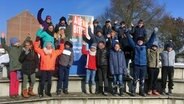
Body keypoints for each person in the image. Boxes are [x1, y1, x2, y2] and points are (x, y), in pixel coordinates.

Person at [126, 28, 157, 96]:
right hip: (136, 65)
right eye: (139, 41)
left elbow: (151, 41)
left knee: (142, 79)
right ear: (137, 41)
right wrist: (127, 33)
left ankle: (141, 91)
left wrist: (154, 33)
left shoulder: (146, 46)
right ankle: (133, 91)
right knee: (135, 79)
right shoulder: (135, 46)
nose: (140, 41)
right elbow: (130, 41)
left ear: (143, 41)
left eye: (141, 41)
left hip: (143, 65)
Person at [1, 32, 29, 98]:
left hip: (19, 68)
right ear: (13, 43)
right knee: (13, 81)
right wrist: (2, 38)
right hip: (13, 68)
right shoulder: (10, 49)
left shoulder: (20, 48)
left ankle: (16, 93)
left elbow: (24, 43)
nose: (18, 43)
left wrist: (27, 37)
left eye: (18, 42)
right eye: (17, 42)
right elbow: (4, 45)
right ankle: (12, 93)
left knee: (17, 81)